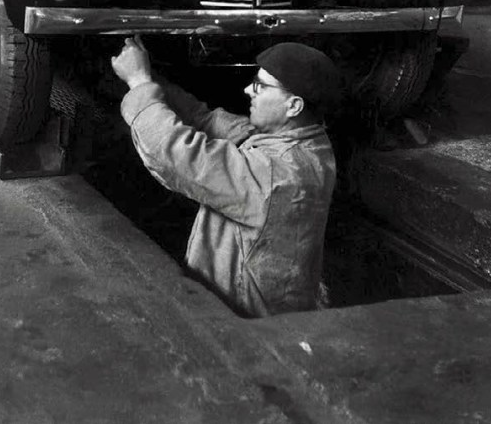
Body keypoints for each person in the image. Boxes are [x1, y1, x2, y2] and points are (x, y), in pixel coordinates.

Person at [111, 36, 339, 318]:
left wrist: (140, 83)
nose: (247, 90)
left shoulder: (278, 174)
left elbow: (179, 155)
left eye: (260, 86)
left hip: (248, 328)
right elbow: (207, 120)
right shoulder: (307, 143)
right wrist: (150, 78)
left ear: (293, 106)